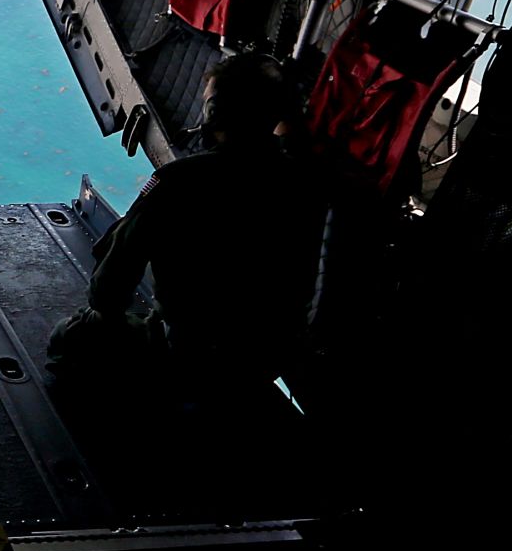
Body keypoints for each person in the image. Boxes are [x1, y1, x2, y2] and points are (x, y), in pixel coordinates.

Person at [46, 53, 326, 399]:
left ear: (213, 113)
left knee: (69, 336)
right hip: (265, 362)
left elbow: (107, 292)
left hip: (191, 357)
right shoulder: (307, 183)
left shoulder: (178, 181)